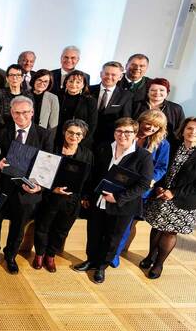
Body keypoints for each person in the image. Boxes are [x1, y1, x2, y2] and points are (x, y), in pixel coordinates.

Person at [75, 118, 153, 284]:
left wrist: (117, 197)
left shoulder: (143, 156)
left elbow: (144, 184)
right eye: (119, 131)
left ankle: (101, 267)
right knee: (94, 233)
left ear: (135, 134)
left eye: (127, 132)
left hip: (122, 206)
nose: (122, 135)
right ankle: (91, 260)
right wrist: (87, 196)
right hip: (98, 201)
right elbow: (93, 174)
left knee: (112, 237)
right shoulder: (104, 148)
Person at [142, 117, 196, 279]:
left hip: (184, 201)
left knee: (169, 232)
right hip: (161, 196)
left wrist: (174, 193)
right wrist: (159, 187)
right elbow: (160, 167)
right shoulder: (172, 146)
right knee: (156, 227)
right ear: (183, 130)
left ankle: (159, 264)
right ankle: (150, 256)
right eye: (190, 128)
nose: (193, 132)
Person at [0, 96, 54, 274]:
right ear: (11, 113)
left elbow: (48, 164)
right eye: (17, 112)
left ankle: (10, 255)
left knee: (18, 226)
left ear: (32, 113)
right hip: (1, 186)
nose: (21, 116)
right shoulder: (1, 131)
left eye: (25, 112)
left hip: (27, 191)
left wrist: (39, 185)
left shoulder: (44, 134)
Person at [111, 109, 170, 267]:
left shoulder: (162, 144)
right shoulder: (128, 134)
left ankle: (115, 254)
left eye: (156, 127)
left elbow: (162, 167)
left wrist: (152, 179)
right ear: (140, 121)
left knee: (125, 224)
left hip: (138, 189)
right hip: (117, 183)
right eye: (148, 124)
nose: (150, 128)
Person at [32, 119, 93, 272]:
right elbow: (42, 173)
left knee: (61, 230)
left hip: (72, 201)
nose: (74, 136)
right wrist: (53, 189)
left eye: (78, 134)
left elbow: (90, 179)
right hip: (51, 197)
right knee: (42, 227)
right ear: (64, 133)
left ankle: (50, 256)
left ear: (83, 136)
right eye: (70, 132)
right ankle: (39, 254)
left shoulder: (87, 154)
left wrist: (85, 197)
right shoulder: (52, 149)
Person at [90, 61, 133, 147]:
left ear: (120, 77)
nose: (109, 77)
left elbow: (125, 120)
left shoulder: (126, 96)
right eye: (106, 73)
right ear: (101, 74)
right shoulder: (88, 90)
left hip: (108, 141)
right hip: (85, 137)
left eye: (113, 75)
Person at [133, 78, 185, 145]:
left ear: (167, 92)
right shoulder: (136, 105)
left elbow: (179, 130)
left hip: (163, 145)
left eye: (162, 90)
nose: (157, 93)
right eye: (153, 90)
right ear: (147, 92)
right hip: (136, 142)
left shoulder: (176, 109)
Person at [57, 71, 98, 147]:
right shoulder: (57, 96)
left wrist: (80, 142)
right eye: (71, 81)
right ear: (66, 82)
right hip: (57, 138)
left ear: (83, 85)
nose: (73, 84)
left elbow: (92, 124)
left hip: (79, 141)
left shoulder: (90, 101)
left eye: (78, 82)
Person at [0, 64, 34, 131]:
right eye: (11, 75)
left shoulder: (28, 95)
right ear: (7, 78)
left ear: (22, 78)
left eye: (18, 75)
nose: (14, 78)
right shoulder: (0, 93)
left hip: (23, 131)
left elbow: (31, 116)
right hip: (3, 131)